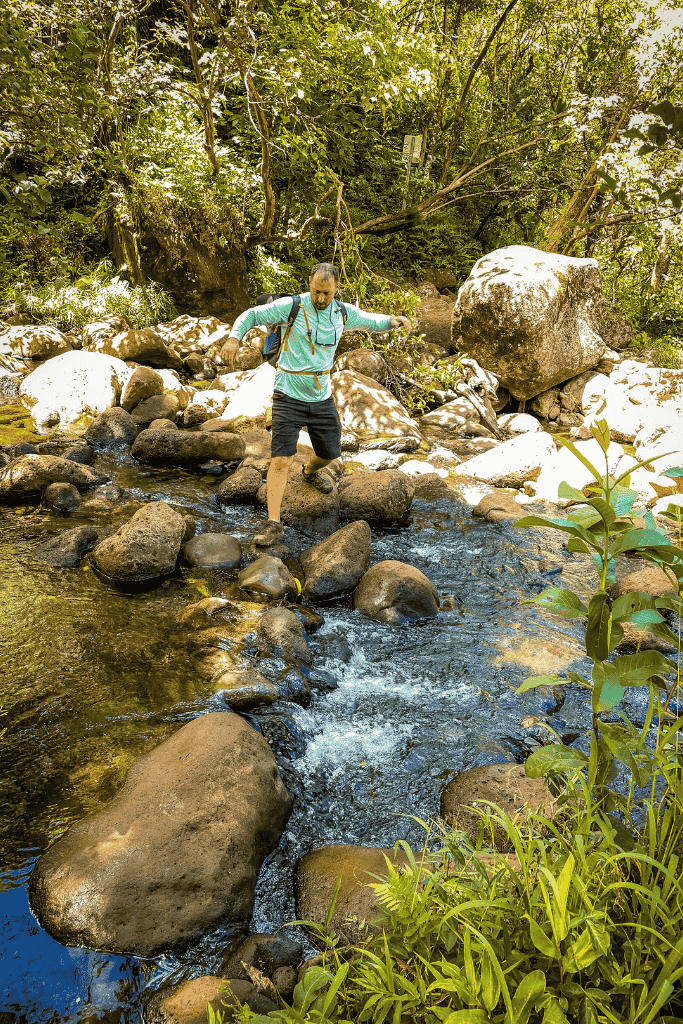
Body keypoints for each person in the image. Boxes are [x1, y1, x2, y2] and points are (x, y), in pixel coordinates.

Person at [223, 263, 411, 546]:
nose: (320, 298)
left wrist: (393, 320)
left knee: (330, 454)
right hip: (287, 393)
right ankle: (273, 523)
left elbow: (371, 321)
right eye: (316, 291)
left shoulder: (343, 313)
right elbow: (251, 315)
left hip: (321, 396)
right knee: (281, 459)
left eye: (326, 293)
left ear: (336, 289)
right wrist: (233, 339)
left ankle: (309, 472)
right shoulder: (291, 307)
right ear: (309, 283)